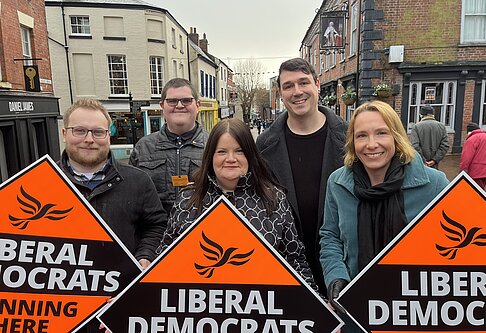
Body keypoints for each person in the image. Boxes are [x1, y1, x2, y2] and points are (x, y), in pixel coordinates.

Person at [319, 101, 448, 332]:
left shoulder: (435, 184)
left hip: (414, 310)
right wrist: (336, 277)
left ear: (396, 137)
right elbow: (330, 237)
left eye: (381, 133)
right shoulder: (337, 183)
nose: (371, 144)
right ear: (352, 142)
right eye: (361, 136)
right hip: (355, 306)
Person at [158, 118, 317, 289]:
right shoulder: (187, 200)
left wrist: (316, 305)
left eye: (239, 151)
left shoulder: (274, 199)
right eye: (222, 152)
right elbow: (164, 261)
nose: (231, 158)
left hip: (262, 307)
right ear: (210, 156)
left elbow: (295, 260)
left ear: (250, 156)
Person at [58, 99, 168, 333]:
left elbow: (157, 225)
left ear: (109, 135)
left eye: (98, 132)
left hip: (120, 301)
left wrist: (145, 256)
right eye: (80, 131)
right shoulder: (42, 184)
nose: (89, 139)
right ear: (64, 133)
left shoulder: (138, 181)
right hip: (60, 309)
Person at [256, 58, 347, 295]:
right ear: (280, 93)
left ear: (317, 84)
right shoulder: (265, 145)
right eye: (288, 86)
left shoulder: (349, 137)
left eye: (303, 83)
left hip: (342, 262)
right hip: (287, 264)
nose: (297, 92)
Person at [130, 78, 209, 215]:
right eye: (172, 101)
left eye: (186, 100)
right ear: (162, 105)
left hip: (200, 230)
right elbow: (131, 195)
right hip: (156, 232)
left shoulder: (213, 145)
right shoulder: (143, 147)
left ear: (197, 105)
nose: (179, 105)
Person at [460, 122, 486, 189]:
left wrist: (463, 169)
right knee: (481, 188)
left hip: (476, 170)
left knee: (475, 190)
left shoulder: (471, 139)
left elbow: (466, 156)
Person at [410, 105, 449, 169]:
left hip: (421, 164)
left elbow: (415, 146)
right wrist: (434, 160)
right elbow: (445, 145)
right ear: (432, 114)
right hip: (434, 164)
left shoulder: (416, 127)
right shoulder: (441, 126)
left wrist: (423, 160)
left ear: (422, 115)